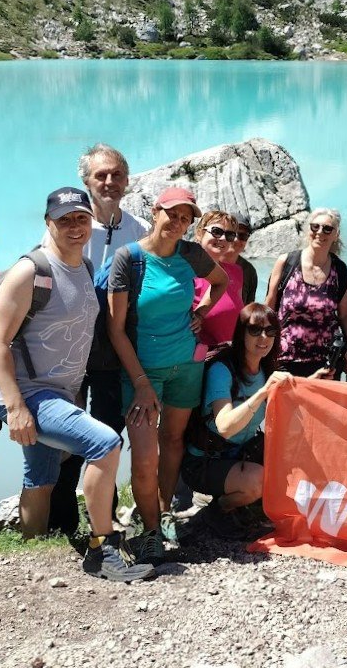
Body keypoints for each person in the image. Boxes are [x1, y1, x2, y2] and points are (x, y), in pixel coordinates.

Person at [0, 187, 153, 581]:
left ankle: (29, 560)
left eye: (80, 218)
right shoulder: (30, 271)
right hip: (28, 394)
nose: (74, 227)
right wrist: (15, 407)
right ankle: (103, 548)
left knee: (41, 478)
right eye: (65, 220)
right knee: (105, 443)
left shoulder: (84, 267)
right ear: (49, 224)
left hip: (59, 393)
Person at [107, 186, 230, 564]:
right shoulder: (128, 258)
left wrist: (201, 312)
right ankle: (148, 532)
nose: (177, 223)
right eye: (171, 213)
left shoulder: (190, 253)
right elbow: (115, 330)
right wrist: (141, 383)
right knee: (144, 458)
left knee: (173, 441)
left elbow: (220, 282)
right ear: (155, 210)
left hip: (186, 368)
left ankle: (161, 514)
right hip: (142, 373)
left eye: (185, 218)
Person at [48, 144, 149, 536]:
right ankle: (61, 521)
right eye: (100, 176)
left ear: (126, 179)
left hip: (113, 350)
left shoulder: (137, 229)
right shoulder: (68, 226)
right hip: (69, 348)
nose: (109, 182)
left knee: (108, 430)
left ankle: (100, 519)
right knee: (65, 433)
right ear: (86, 181)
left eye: (116, 175)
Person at [181, 304, 323, 538]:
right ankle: (218, 511)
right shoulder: (222, 370)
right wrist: (262, 394)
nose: (263, 337)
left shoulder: (265, 369)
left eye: (270, 331)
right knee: (258, 481)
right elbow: (224, 427)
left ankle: (245, 504)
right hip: (204, 461)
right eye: (255, 330)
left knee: (297, 453)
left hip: (240, 453)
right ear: (241, 333)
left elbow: (291, 407)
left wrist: (313, 382)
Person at [265, 208, 347, 378]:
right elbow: (268, 308)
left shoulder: (340, 270)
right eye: (315, 227)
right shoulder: (286, 262)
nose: (320, 232)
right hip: (285, 359)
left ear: (336, 234)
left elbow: (345, 314)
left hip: (325, 363)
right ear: (309, 230)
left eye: (327, 228)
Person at [192, 210, 248, 349]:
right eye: (217, 231)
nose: (223, 238)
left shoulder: (236, 272)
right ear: (200, 233)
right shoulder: (186, 274)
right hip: (201, 358)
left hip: (233, 355)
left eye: (229, 235)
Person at [229, 212, 259, 303]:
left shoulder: (249, 271)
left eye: (242, 236)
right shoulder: (206, 264)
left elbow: (249, 307)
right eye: (231, 234)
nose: (236, 239)